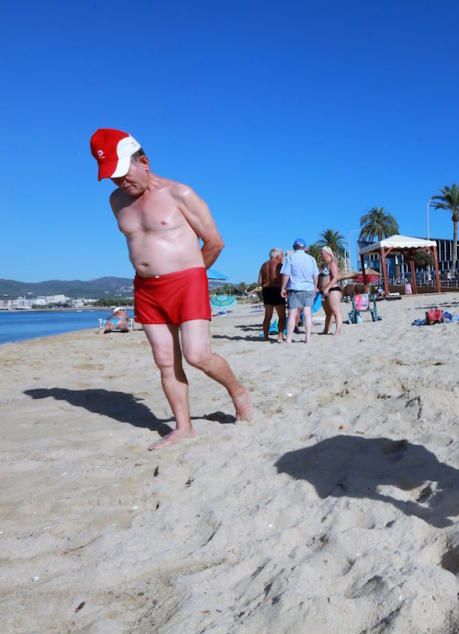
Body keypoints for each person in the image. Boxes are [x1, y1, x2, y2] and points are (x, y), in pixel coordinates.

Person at [90, 128, 252, 450]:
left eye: (123, 173)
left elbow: (215, 242)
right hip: (146, 289)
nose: (120, 182)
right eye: (112, 176)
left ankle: (238, 391)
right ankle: (183, 426)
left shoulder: (180, 194)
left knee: (197, 355)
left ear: (145, 162)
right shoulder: (116, 201)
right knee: (165, 361)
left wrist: (192, 276)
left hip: (187, 282)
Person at [281, 239, 319, 343]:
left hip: (295, 288)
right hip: (308, 288)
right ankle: (308, 338)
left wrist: (283, 288)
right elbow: (315, 275)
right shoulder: (311, 259)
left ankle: (288, 338)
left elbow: (286, 275)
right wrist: (315, 286)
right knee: (307, 313)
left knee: (292, 314)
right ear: (305, 248)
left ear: (294, 247)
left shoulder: (290, 258)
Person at [258, 248, 286, 341]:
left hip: (267, 291)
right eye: (281, 255)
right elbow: (284, 279)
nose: (282, 257)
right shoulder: (280, 265)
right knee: (282, 316)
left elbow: (259, 281)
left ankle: (266, 337)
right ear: (278, 256)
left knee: (267, 317)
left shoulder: (263, 265)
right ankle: (280, 336)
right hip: (277, 290)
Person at [318, 246, 344, 335]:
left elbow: (335, 278)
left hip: (333, 289)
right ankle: (326, 330)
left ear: (328, 253)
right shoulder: (323, 265)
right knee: (328, 313)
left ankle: (338, 331)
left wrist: (327, 288)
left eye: (322, 253)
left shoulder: (332, 263)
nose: (321, 255)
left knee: (336, 311)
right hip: (323, 291)